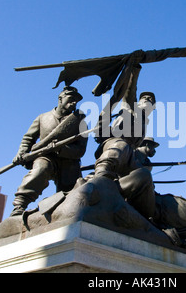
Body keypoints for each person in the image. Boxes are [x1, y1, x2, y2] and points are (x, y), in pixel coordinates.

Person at [10, 86, 88, 216]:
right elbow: (28, 138)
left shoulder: (80, 123)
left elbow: (80, 150)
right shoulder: (42, 118)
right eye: (71, 98)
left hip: (69, 161)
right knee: (40, 169)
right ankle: (19, 205)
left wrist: (61, 149)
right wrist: (21, 153)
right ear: (60, 99)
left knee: (73, 192)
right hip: (45, 156)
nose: (74, 102)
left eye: (76, 100)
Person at [93, 91, 157, 219]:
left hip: (129, 155)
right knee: (122, 146)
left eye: (150, 100)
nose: (147, 99)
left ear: (153, 108)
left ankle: (145, 217)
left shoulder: (144, 121)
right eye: (144, 97)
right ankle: (98, 183)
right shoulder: (129, 107)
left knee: (144, 175)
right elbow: (129, 90)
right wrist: (134, 71)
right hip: (114, 143)